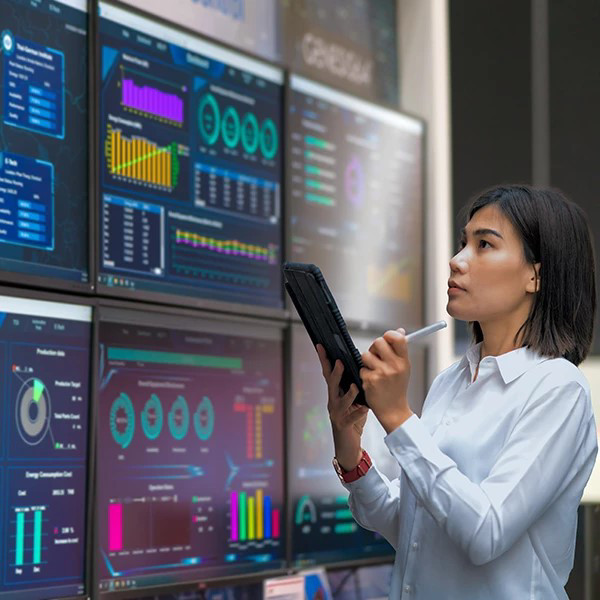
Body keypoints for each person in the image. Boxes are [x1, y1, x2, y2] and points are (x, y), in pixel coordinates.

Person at [317, 185, 598, 599]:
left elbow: (485, 533)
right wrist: (350, 446)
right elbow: (411, 529)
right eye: (463, 243)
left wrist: (397, 417)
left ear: (535, 275)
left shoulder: (559, 388)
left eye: (484, 244)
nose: (457, 260)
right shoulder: (451, 380)